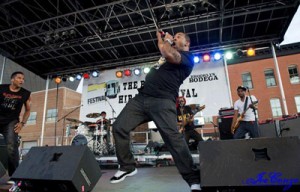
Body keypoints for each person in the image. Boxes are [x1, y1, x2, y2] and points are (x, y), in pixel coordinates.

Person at [111, 31, 201, 191]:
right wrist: (161, 37)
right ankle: (127, 166)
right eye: (174, 36)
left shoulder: (187, 58)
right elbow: (162, 47)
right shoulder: (167, 52)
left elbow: (166, 51)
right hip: (142, 98)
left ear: (187, 43)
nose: (175, 37)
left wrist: (166, 40)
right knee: (119, 127)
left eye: (178, 36)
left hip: (163, 100)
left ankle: (193, 179)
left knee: (173, 138)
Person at [0, 71, 31, 177]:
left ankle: (14, 176)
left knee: (11, 147)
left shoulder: (25, 93)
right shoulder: (2, 88)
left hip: (11, 121)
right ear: (12, 79)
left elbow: (28, 110)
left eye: (23, 79)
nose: (22, 80)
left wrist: (22, 123)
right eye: (19, 78)